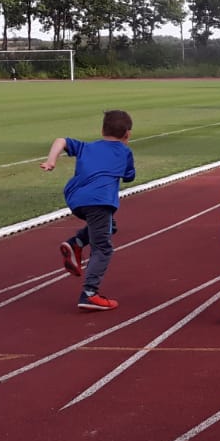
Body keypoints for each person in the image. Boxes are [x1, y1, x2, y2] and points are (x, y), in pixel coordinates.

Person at [42, 109, 135, 311]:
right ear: (127, 134)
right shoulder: (125, 152)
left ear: (102, 129)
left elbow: (61, 140)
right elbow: (129, 177)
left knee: (110, 227)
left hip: (75, 199)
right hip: (99, 202)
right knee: (103, 247)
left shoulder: (86, 146)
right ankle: (89, 294)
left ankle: (75, 243)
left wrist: (51, 161)